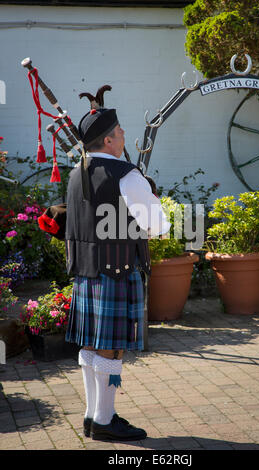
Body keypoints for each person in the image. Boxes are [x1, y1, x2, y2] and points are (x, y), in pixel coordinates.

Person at [65, 104, 170, 442]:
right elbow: (157, 226)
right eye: (120, 131)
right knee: (110, 348)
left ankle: (93, 416)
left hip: (85, 270)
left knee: (93, 347)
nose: (125, 134)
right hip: (117, 271)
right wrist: (152, 197)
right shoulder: (126, 174)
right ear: (109, 140)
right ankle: (105, 420)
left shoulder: (76, 172)